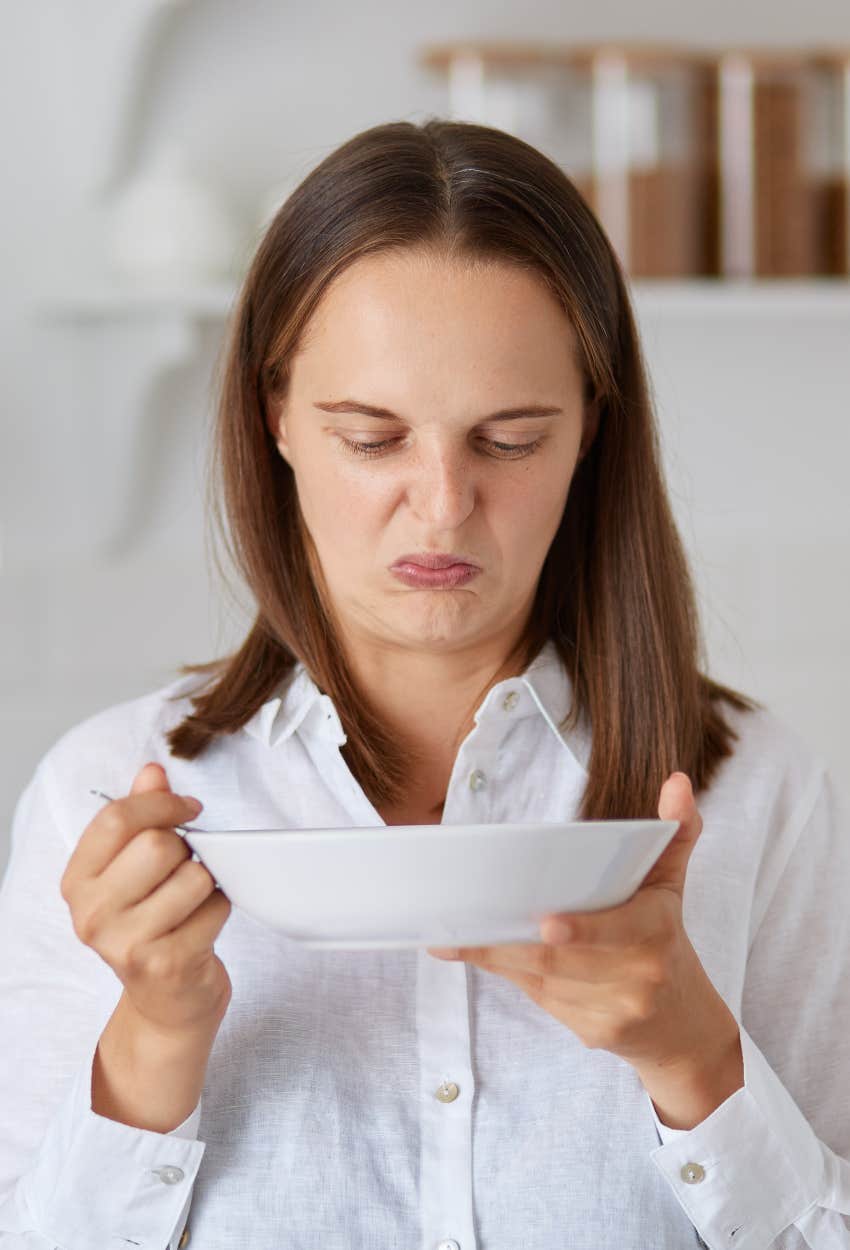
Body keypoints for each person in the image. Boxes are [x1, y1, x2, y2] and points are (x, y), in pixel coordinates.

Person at [1, 116, 849, 1250]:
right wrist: (154, 1035)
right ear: (276, 419)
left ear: (591, 430)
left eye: (507, 439)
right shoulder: (102, 793)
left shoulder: (759, 792)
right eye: (371, 437)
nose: (442, 504)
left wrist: (694, 1060)